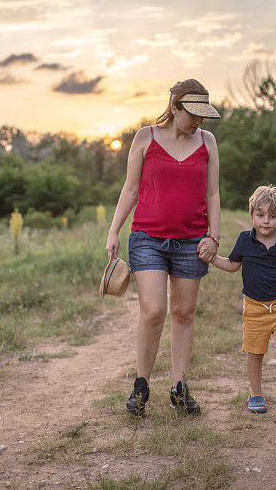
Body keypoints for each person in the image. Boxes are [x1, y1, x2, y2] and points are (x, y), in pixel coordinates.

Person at [106, 79, 221, 417]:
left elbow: (213, 194)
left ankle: (179, 388)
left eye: (203, 115)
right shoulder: (145, 137)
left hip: (192, 240)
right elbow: (130, 190)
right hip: (148, 238)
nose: (198, 121)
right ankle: (141, 386)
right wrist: (114, 231)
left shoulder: (208, 141)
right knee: (153, 310)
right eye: (193, 114)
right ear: (174, 107)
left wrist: (214, 237)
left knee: (183, 313)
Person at [204, 185, 276, 416]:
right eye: (260, 215)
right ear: (251, 215)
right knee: (255, 353)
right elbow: (232, 265)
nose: (265, 221)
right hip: (254, 308)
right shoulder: (245, 241)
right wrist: (212, 259)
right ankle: (256, 394)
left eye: (272, 216)